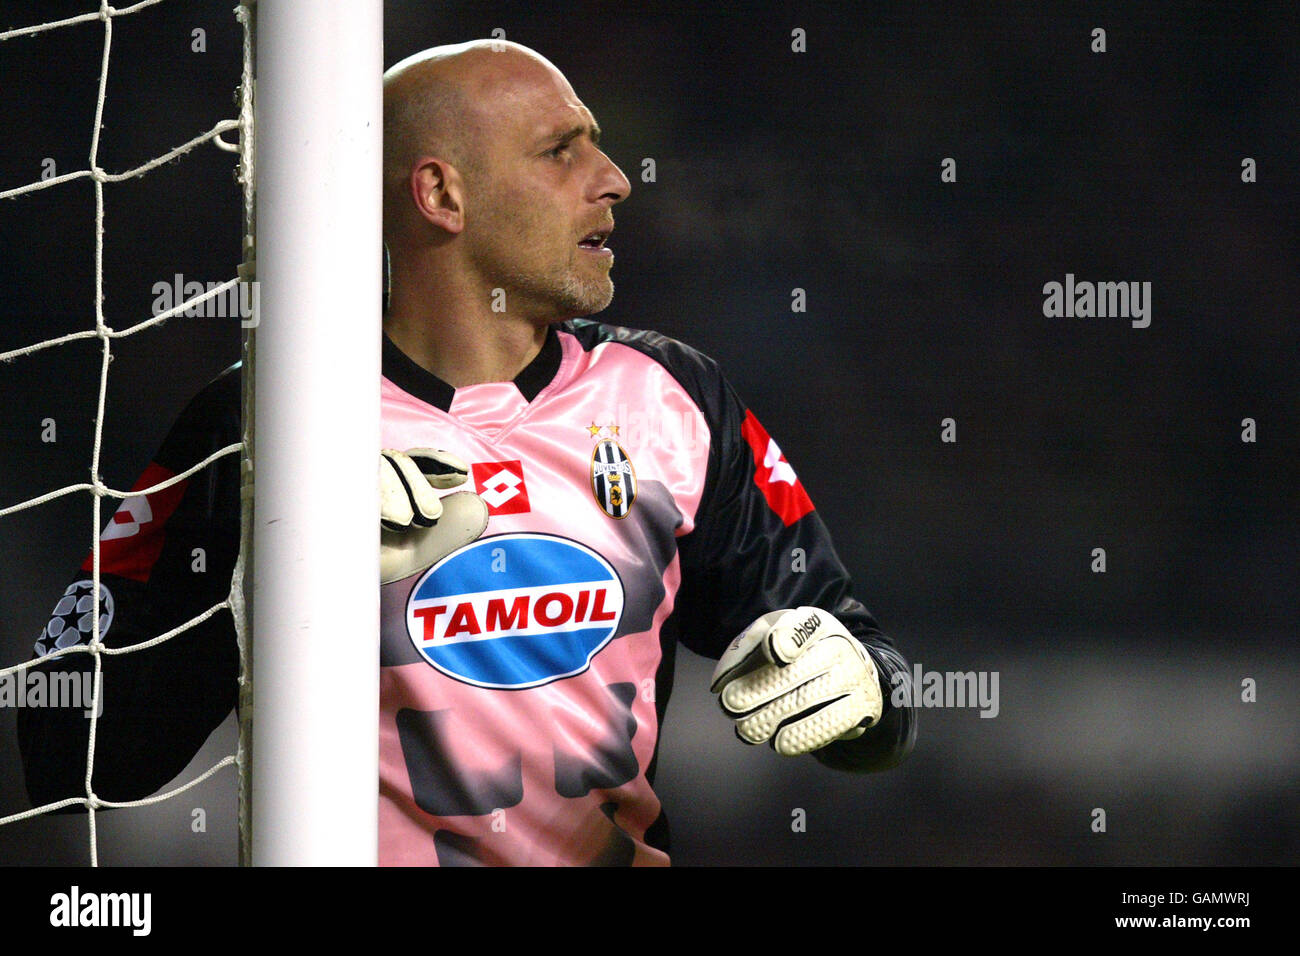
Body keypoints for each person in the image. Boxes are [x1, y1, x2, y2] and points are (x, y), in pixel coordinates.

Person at [20, 40, 915, 866]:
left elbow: (859, 662)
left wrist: (863, 694)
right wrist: (276, 568)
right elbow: (65, 748)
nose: (614, 180)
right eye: (561, 150)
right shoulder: (267, 424)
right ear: (442, 195)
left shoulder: (673, 397)